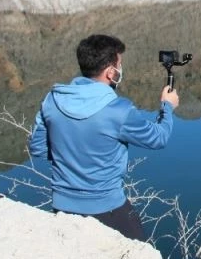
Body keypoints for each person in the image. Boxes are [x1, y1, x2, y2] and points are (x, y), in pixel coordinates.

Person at [28, 34, 179, 242]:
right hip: (109, 209)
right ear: (111, 72)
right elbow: (158, 138)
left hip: (62, 207)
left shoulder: (52, 100)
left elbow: (38, 148)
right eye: (119, 65)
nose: (120, 70)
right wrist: (167, 106)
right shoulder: (119, 111)